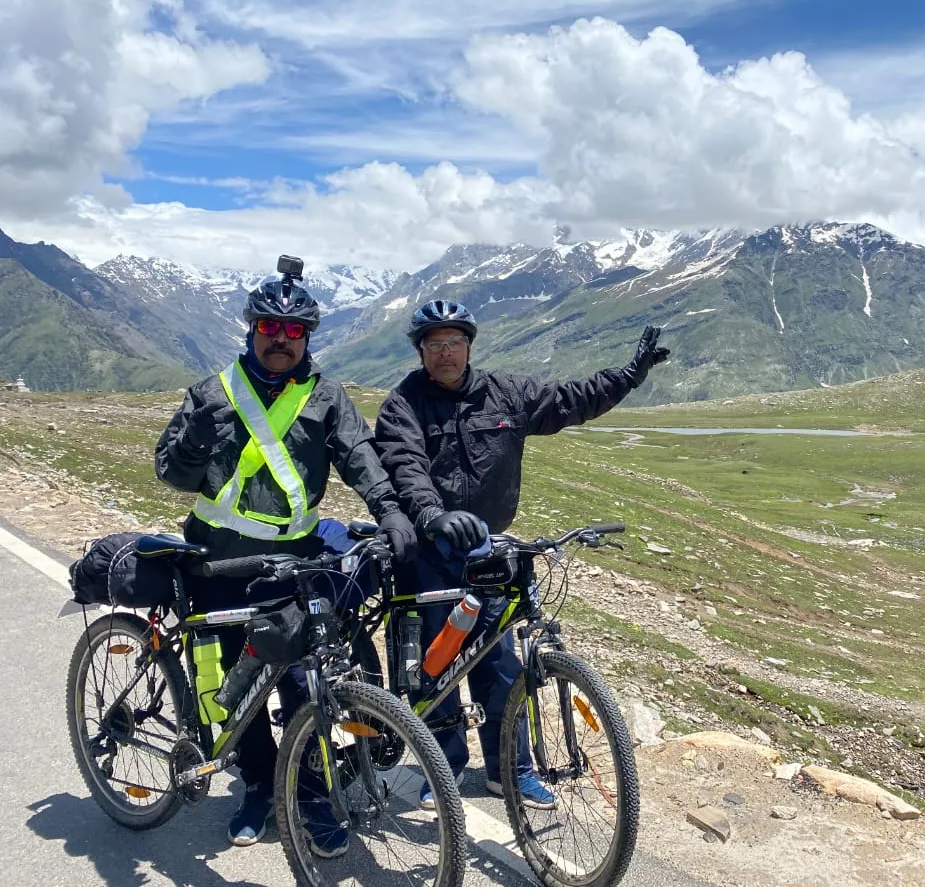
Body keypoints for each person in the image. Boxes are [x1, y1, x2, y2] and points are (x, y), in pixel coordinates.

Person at [155, 258, 418, 855]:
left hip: (292, 565)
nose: (280, 339)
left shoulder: (327, 397)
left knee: (305, 680)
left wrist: (390, 509)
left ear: (306, 339)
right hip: (215, 565)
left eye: (293, 332)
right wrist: (195, 439)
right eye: (269, 328)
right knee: (233, 690)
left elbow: (361, 457)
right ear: (250, 330)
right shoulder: (212, 392)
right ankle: (257, 788)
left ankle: (310, 794)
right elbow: (170, 472)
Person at [374, 299, 669, 809]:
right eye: (435, 345)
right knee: (436, 666)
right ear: (421, 350)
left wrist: (629, 376)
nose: (446, 354)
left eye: (455, 343)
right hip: (429, 553)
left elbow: (573, 399)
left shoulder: (507, 393)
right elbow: (404, 464)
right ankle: (440, 767)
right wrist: (431, 514)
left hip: (488, 550)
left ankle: (509, 770)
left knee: (501, 666)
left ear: (469, 345)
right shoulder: (403, 403)